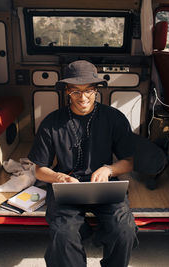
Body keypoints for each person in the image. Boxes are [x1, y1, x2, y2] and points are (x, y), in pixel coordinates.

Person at [28, 60, 138, 267]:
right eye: (76, 91)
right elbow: (40, 170)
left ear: (96, 90)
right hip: (67, 187)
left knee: (124, 229)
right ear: (67, 91)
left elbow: (128, 162)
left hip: (104, 186)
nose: (83, 97)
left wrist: (109, 169)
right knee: (63, 233)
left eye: (89, 90)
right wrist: (60, 177)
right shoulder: (52, 122)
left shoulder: (114, 118)